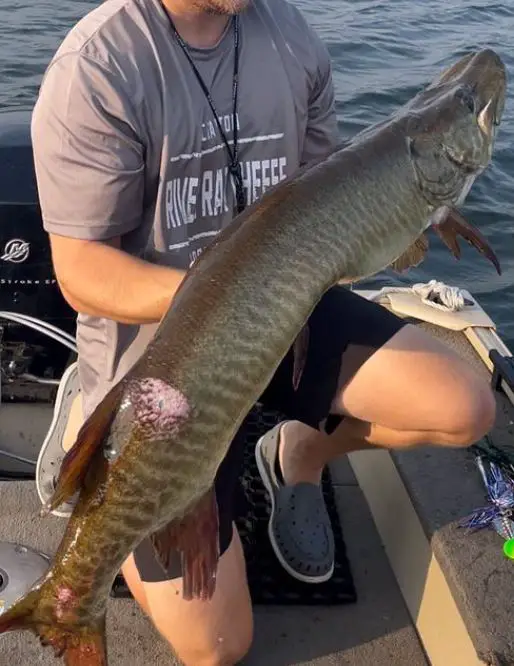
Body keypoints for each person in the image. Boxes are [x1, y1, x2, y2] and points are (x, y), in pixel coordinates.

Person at [31, 0, 497, 664]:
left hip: (289, 304)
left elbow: (327, 191)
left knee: (464, 404)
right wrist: (232, 294)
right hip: (162, 356)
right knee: (219, 647)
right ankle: (93, 424)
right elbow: (80, 273)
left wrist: (408, 212)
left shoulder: (291, 36)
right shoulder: (99, 66)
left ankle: (295, 457)